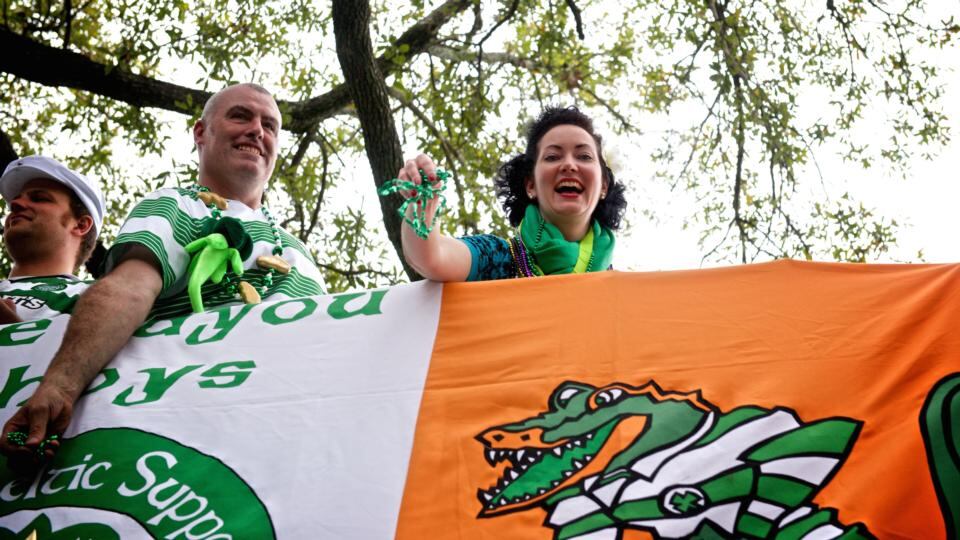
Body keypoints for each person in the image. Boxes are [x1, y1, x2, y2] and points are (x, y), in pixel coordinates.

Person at [0, 83, 326, 463]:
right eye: (240, 116)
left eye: (270, 125)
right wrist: (59, 386)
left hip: (275, 441)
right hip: (178, 437)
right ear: (201, 133)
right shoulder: (174, 205)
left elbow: (328, 344)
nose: (257, 130)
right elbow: (127, 291)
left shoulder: (297, 252)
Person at [398, 106, 627, 281]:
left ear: (604, 186)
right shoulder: (497, 258)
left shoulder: (626, 292)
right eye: (552, 157)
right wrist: (423, 201)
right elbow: (429, 257)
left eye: (584, 156)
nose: (569, 165)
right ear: (530, 185)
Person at [0, 155, 105, 324]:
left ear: (80, 224)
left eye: (39, 198)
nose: (16, 204)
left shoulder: (98, 297)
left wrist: (11, 331)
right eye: (16, 199)